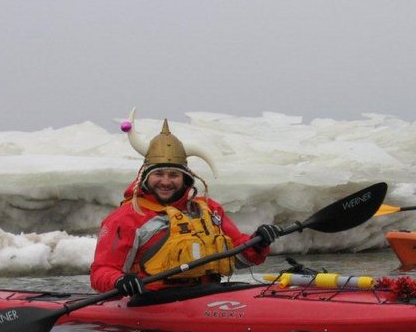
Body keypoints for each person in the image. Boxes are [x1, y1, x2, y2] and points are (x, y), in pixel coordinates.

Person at [90, 119, 280, 296]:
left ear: (185, 179)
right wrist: (120, 281)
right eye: (159, 174)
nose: (165, 182)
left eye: (173, 175)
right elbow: (100, 272)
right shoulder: (126, 217)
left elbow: (240, 258)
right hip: (152, 300)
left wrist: (258, 242)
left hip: (210, 293)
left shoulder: (208, 209)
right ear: (146, 178)